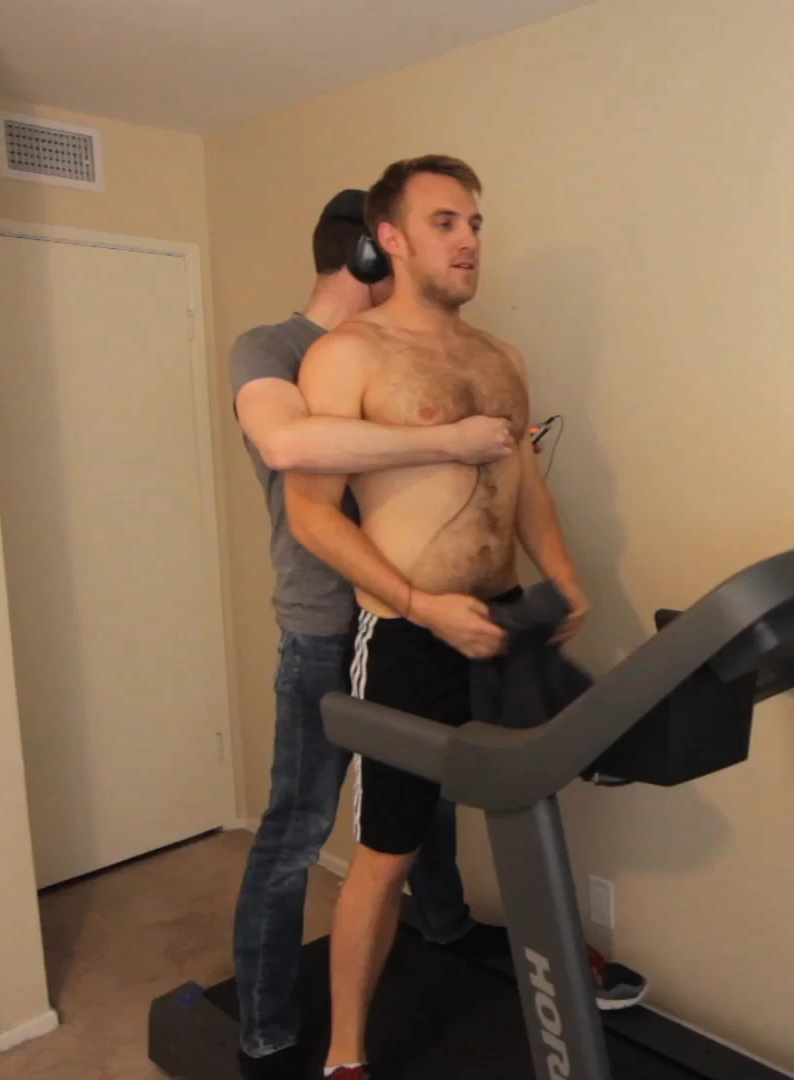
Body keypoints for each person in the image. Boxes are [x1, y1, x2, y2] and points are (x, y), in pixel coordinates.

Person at [285, 156, 613, 1079]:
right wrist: (422, 606)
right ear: (390, 238)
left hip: (507, 622)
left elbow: (525, 483)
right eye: (445, 222)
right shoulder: (347, 355)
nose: (469, 240)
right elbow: (312, 514)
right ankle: (346, 1055)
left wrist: (563, 576)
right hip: (406, 633)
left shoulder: (502, 358)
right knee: (387, 852)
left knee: (531, 811)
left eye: (475, 223)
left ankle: (558, 966)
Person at [227, 188, 517, 1079]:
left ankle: (446, 924)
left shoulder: (413, 348)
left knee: (422, 807)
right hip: (325, 622)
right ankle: (267, 1026)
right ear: (370, 253)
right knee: (301, 826)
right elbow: (289, 447)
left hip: (412, 621)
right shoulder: (274, 350)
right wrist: (452, 441)